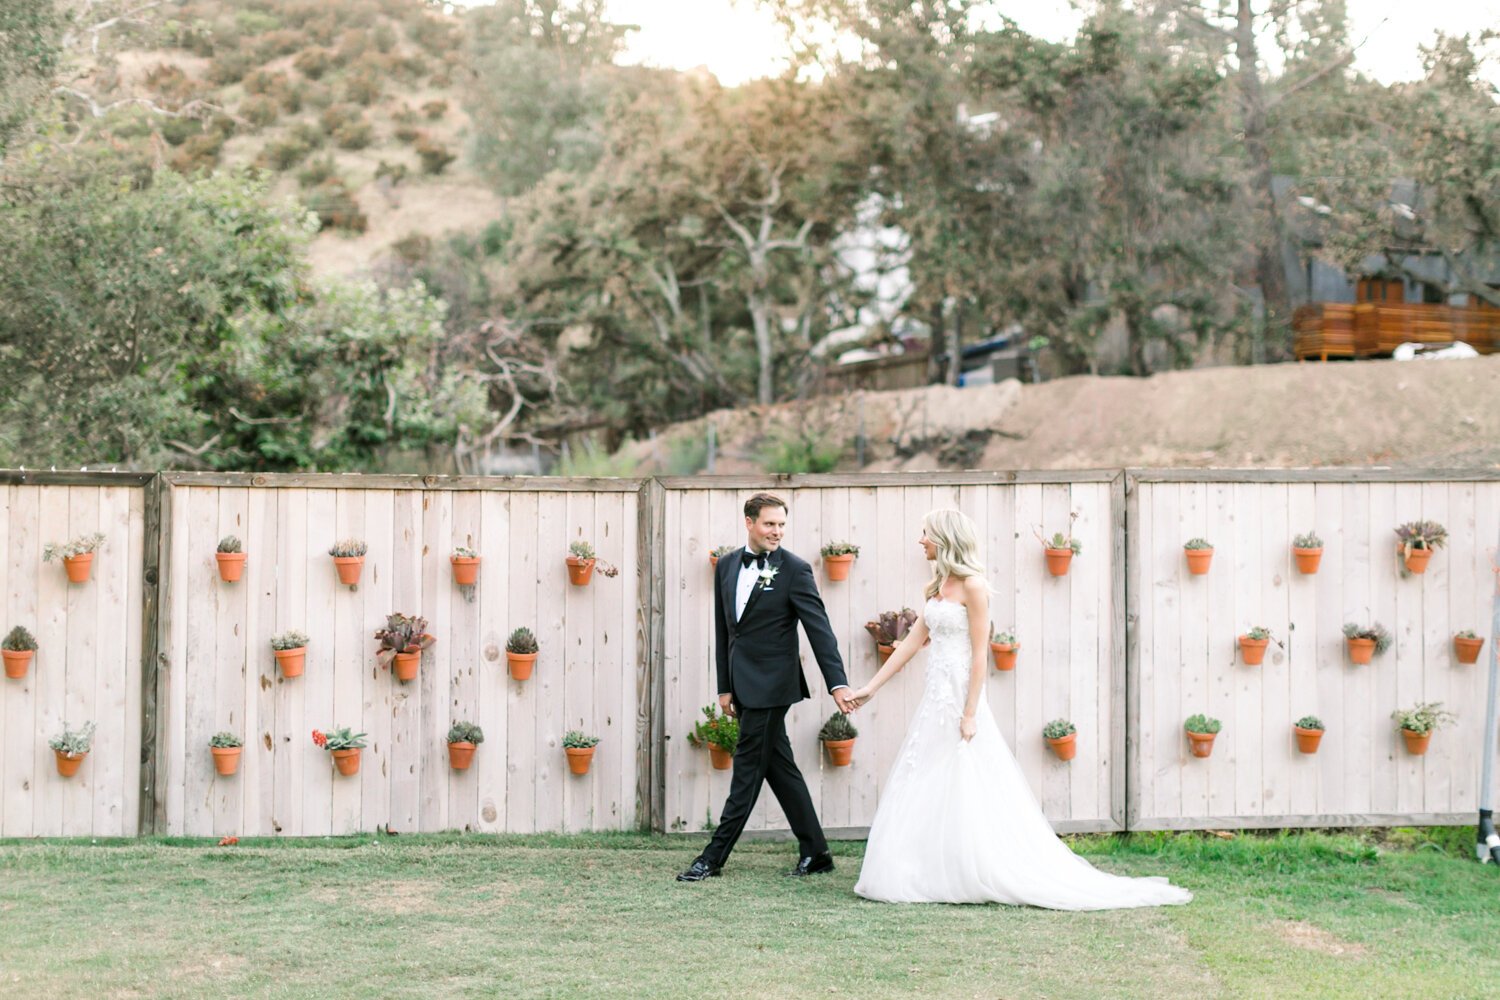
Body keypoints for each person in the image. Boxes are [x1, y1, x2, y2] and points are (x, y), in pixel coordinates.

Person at [847, 509, 1192, 909]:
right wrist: (870, 688)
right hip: (934, 699)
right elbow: (909, 644)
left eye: (925, 534)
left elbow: (980, 655)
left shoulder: (974, 587)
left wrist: (971, 712)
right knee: (925, 776)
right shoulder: (937, 586)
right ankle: (926, 869)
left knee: (964, 776)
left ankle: (975, 869)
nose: (920, 541)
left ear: (944, 539)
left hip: (961, 697)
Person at [677, 492, 856, 882]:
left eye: (781, 525)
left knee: (746, 770)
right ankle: (817, 851)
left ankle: (712, 856)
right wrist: (725, 687)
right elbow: (725, 631)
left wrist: (836, 683)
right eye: (769, 524)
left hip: (774, 687)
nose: (776, 532)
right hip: (741, 686)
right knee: (780, 768)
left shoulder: (794, 570)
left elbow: (819, 630)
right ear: (749, 522)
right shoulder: (726, 565)